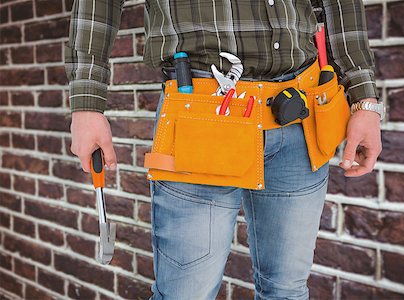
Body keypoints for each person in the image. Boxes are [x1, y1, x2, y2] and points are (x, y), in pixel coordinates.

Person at [66, 0, 383, 299]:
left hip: (299, 111)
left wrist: (364, 100)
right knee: (185, 293)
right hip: (199, 114)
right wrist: (87, 103)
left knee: (288, 291)